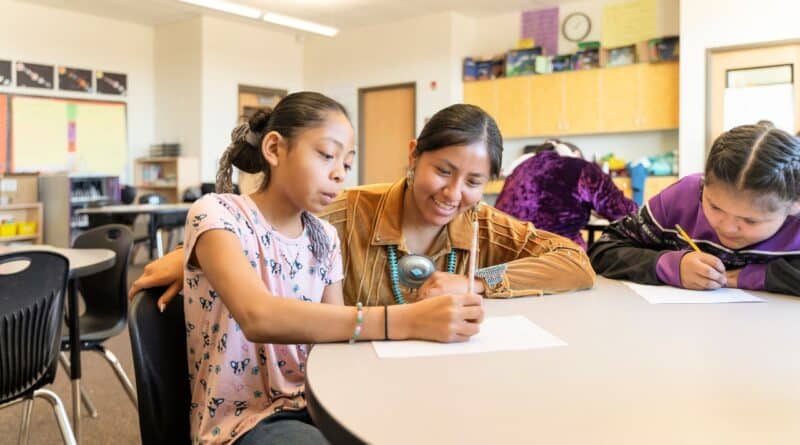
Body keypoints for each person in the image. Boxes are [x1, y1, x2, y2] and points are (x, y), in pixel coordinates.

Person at [177, 92, 483, 444]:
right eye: (326, 156)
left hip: (319, 400)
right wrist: (408, 320)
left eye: (347, 164)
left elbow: (336, 334)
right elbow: (258, 316)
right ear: (275, 149)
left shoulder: (323, 236)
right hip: (245, 422)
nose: (339, 175)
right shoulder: (218, 213)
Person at [130, 103, 595, 311]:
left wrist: (477, 281)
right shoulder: (347, 210)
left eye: (474, 181)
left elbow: (575, 263)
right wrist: (193, 255)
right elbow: (258, 225)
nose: (453, 193)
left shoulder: (480, 223)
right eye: (443, 171)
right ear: (413, 156)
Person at [589, 123, 800, 295]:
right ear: (704, 185)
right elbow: (603, 250)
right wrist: (669, 266)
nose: (727, 228)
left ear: (794, 205)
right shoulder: (683, 197)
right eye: (715, 207)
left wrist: (750, 276)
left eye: (750, 221)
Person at [495, 140, 638, 250]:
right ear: (576, 154)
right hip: (556, 255)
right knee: (588, 259)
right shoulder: (582, 168)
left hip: (502, 251)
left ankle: (488, 278)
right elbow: (625, 212)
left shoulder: (520, 168)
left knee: (510, 270)